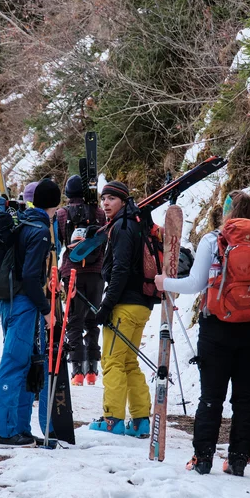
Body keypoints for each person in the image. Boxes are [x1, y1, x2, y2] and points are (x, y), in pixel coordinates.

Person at [154, 190, 250, 476]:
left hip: (216, 329)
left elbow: (196, 283)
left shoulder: (213, 240)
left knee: (211, 396)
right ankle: (238, 460)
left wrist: (165, 283)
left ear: (226, 213)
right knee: (245, 397)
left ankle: (202, 458)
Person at [0, 177, 63, 448]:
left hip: (11, 300)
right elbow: (31, 277)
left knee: (24, 364)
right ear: (55, 204)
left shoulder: (24, 222)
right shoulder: (40, 231)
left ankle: (19, 428)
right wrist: (47, 310)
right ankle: (3, 432)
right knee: (14, 363)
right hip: (23, 302)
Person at [89, 181, 159, 438]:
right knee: (129, 362)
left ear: (123, 201)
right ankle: (140, 421)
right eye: (103, 199)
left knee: (112, 362)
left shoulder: (122, 226)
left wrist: (106, 305)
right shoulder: (139, 223)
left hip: (124, 306)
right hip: (142, 305)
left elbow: (120, 269)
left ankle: (112, 419)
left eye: (111, 198)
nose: (106, 203)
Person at [58, 174, 107, 387]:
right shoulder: (100, 213)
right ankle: (92, 370)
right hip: (96, 273)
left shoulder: (62, 214)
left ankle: (77, 370)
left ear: (68, 193)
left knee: (74, 320)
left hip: (72, 273)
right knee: (93, 320)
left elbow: (59, 242)